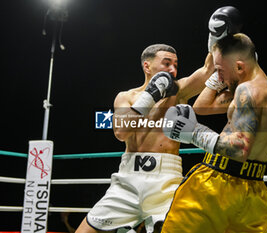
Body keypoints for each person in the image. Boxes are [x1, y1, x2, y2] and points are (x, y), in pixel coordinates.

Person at [76, 43, 217, 233]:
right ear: (147, 66)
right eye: (167, 64)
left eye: (176, 64)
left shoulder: (179, 91)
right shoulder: (126, 97)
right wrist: (150, 96)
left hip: (166, 181)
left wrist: (216, 38)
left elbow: (208, 69)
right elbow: (121, 133)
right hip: (127, 181)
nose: (173, 70)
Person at [161, 32, 267, 232]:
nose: (219, 77)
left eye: (220, 71)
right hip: (254, 192)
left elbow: (240, 148)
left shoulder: (247, 92)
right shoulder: (264, 89)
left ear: (239, 67)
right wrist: (219, 72)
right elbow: (201, 106)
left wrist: (193, 132)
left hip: (216, 187)